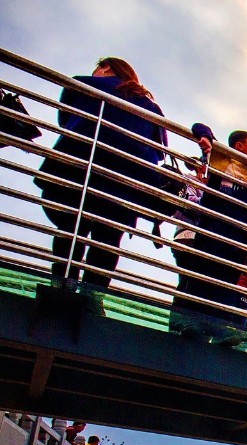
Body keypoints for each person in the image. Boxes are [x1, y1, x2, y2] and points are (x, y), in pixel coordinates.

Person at [34, 58, 167, 300]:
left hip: (79, 168)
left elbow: (67, 119)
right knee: (107, 241)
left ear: (106, 68)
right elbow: (158, 150)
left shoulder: (87, 85)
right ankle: (92, 298)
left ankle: (61, 286)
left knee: (71, 229)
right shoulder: (151, 107)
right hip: (124, 182)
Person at [171, 125, 247, 346]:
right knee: (200, 277)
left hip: (238, 239)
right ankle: (187, 323)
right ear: (239, 145)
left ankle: (216, 326)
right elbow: (199, 128)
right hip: (213, 230)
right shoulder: (223, 160)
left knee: (226, 283)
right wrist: (206, 138)